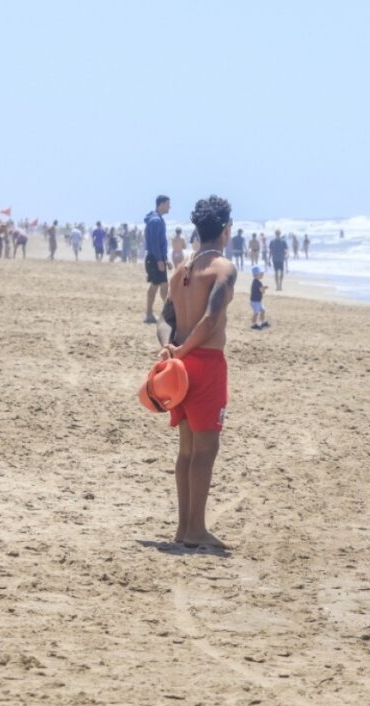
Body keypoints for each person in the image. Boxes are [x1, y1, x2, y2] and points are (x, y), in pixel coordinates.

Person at [155, 194, 237, 550]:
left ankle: (184, 528)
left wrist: (169, 347)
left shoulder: (181, 272)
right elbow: (211, 319)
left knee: (187, 450)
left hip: (180, 366)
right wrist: (185, 349)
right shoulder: (223, 269)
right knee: (205, 450)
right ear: (226, 230)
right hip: (204, 364)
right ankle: (196, 529)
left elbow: (165, 319)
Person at [144, 195, 170, 323]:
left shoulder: (158, 219)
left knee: (163, 285)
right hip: (154, 258)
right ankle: (149, 314)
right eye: (168, 204)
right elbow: (154, 242)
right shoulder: (155, 220)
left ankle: (166, 313)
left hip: (158, 257)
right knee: (156, 285)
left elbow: (160, 242)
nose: (169, 207)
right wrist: (160, 260)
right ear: (161, 204)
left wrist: (165, 259)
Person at [250, 265, 269, 329]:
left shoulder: (257, 282)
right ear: (256, 275)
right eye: (260, 274)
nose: (262, 275)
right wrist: (264, 289)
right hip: (255, 301)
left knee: (263, 310)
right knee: (256, 313)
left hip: (257, 301)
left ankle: (263, 322)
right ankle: (253, 324)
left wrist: (263, 288)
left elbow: (260, 289)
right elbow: (261, 290)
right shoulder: (257, 282)